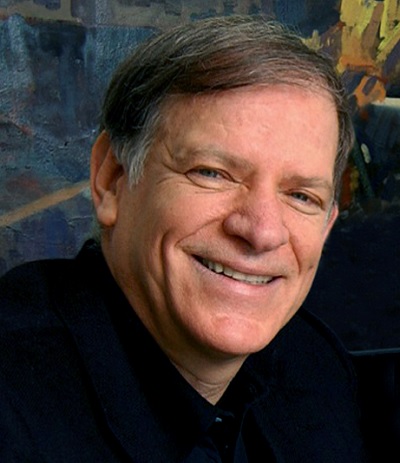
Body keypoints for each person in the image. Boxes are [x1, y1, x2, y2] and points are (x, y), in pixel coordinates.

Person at [0, 15, 368, 462]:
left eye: (301, 196)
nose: (262, 231)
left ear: (327, 226)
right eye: (212, 173)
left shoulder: (317, 371)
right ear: (112, 180)